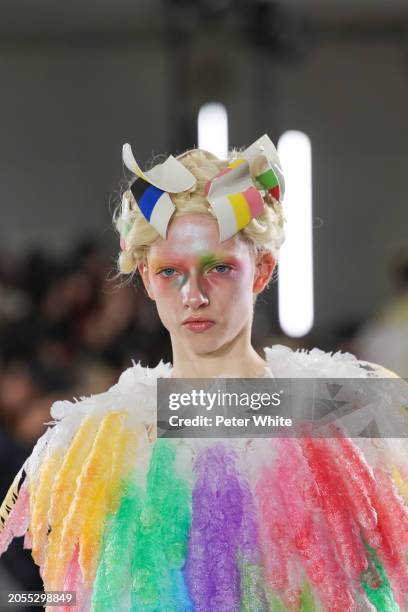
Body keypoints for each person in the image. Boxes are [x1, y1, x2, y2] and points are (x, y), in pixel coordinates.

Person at [0, 135, 407, 612]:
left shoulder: (356, 410)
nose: (193, 295)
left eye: (218, 268)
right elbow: (43, 594)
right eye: (171, 271)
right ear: (147, 280)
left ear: (261, 271)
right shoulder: (95, 440)